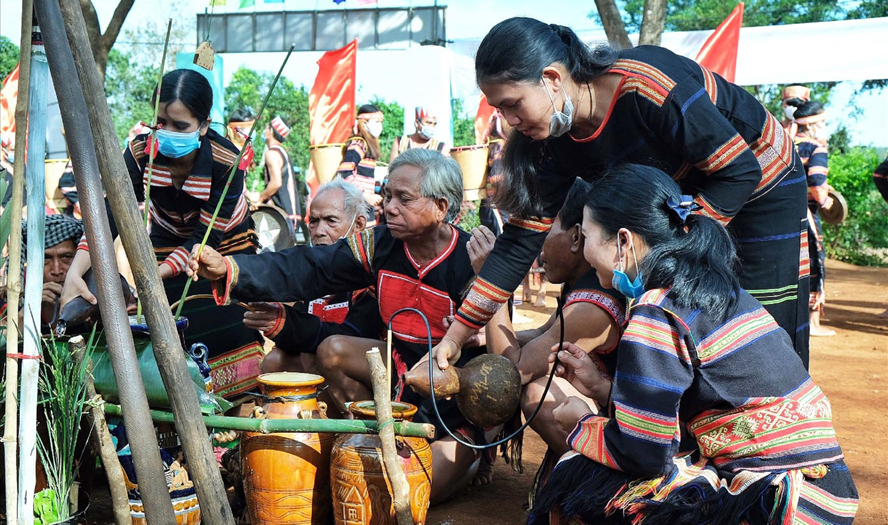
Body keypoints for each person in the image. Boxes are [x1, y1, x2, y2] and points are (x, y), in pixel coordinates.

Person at [436, 17, 811, 372]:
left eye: (512, 104)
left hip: (761, 180)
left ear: (551, 78)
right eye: (499, 108)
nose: (508, 122)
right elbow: (519, 243)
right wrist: (454, 339)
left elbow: (739, 170)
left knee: (757, 315)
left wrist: (674, 248)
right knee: (683, 311)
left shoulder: (648, 85)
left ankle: (775, 417)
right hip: (687, 197)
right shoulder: (552, 140)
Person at [530, 164, 857, 525]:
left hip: (777, 504)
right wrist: (603, 388)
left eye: (588, 235)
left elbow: (646, 455)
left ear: (623, 241)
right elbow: (691, 408)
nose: (586, 250)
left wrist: (582, 423)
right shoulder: (718, 289)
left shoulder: (656, 311)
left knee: (576, 470)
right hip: (826, 494)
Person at [188, 148, 485, 505]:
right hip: (396, 382)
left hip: (450, 408)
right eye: (387, 195)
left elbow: (499, 359)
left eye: (403, 198)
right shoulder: (380, 244)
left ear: (441, 206)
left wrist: (486, 290)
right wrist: (233, 269)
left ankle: (470, 459)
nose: (389, 207)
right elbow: (311, 268)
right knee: (331, 353)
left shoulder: (473, 257)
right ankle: (372, 442)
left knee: (406, 498)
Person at [62, 68, 265, 399]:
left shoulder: (227, 160)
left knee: (225, 329)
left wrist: (152, 277)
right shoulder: (141, 153)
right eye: (161, 122)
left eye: (180, 126)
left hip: (225, 244)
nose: (167, 132)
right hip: (166, 239)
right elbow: (109, 214)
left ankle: (231, 418)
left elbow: (205, 238)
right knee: (166, 331)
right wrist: (76, 271)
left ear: (203, 125)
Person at [472, 179, 624, 456]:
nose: (537, 249)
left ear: (577, 237)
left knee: (536, 394)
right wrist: (479, 336)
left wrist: (492, 281)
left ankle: (591, 478)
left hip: (631, 428)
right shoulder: (582, 282)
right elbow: (545, 333)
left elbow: (511, 370)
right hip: (614, 407)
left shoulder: (592, 306)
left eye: (543, 233)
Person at [243, 179, 381, 375]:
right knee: (275, 360)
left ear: (358, 224)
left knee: (322, 354)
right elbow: (296, 339)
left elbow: (354, 337)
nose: (319, 232)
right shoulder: (309, 272)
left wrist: (285, 323)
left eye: (330, 221)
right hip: (318, 370)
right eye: (314, 222)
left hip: (359, 376)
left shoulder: (370, 279)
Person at [789, 99, 837, 337]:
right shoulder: (815, 147)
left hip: (779, 213)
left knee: (788, 263)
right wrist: (827, 203)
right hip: (805, 214)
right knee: (813, 262)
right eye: (824, 122)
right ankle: (812, 324)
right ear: (815, 124)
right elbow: (817, 183)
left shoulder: (784, 143)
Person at [1, 215, 83, 331]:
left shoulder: (94, 298)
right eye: (45, 258)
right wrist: (25, 314)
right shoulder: (12, 299)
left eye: (66, 257)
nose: (56, 270)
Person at [252, 116, 302, 236]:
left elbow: (276, 183)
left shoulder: (272, 154)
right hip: (292, 215)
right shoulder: (283, 152)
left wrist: (260, 199)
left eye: (266, 127)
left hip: (283, 217)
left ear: (271, 131)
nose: (264, 130)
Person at [337, 104, 386, 213]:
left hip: (364, 205)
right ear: (364, 122)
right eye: (377, 122)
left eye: (381, 122)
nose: (380, 126)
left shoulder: (367, 145)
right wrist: (364, 194)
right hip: (356, 204)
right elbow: (344, 172)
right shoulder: (359, 144)